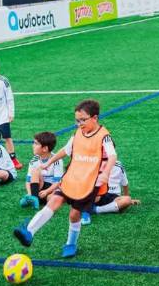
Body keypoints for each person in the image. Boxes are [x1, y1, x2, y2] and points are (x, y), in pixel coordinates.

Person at [13, 99, 116, 258]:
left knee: (74, 215)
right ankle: (29, 232)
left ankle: (71, 243)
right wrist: (49, 163)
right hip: (71, 177)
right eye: (77, 120)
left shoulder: (104, 136)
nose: (79, 123)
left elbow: (112, 156)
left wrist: (106, 173)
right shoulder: (77, 133)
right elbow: (66, 150)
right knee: (54, 201)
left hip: (88, 183)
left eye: (83, 120)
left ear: (94, 118)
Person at [20, 131, 64, 209]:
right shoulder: (34, 160)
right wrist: (29, 193)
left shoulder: (57, 160)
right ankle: (33, 197)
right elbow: (28, 181)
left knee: (52, 199)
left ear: (45, 148)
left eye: (36, 144)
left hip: (52, 187)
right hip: (39, 185)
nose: (33, 146)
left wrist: (47, 191)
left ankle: (34, 199)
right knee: (35, 172)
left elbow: (57, 182)